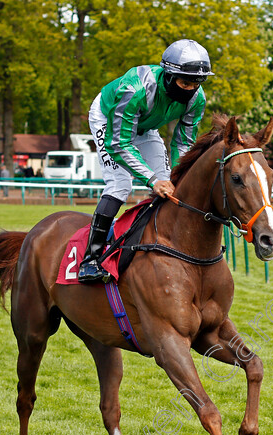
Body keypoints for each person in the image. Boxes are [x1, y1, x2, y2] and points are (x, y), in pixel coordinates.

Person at [76, 39, 211, 283]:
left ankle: (161, 244)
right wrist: (151, 180)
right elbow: (118, 143)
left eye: (196, 84)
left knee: (171, 184)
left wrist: (177, 177)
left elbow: (183, 144)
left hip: (145, 126)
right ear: (169, 76)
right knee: (121, 185)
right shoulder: (135, 88)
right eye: (185, 82)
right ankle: (91, 259)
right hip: (108, 119)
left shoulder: (196, 98)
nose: (190, 89)